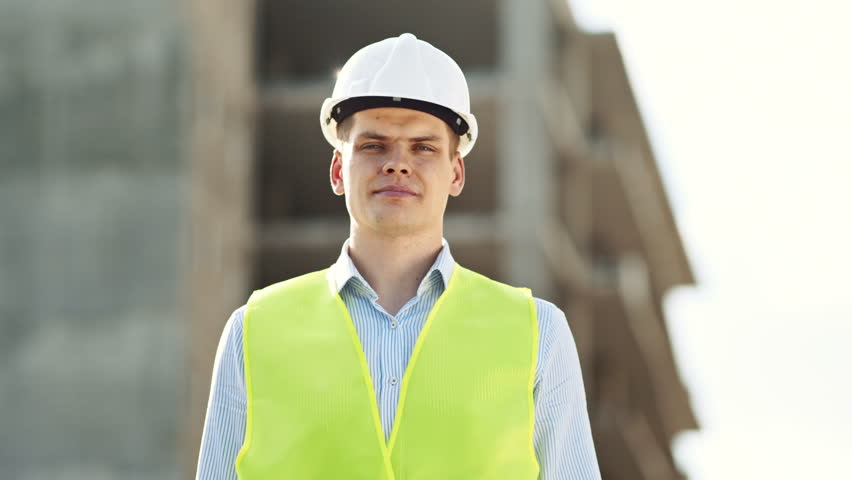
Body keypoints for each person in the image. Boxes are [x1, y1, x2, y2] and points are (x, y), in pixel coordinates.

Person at [196, 33, 601, 479]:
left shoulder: (538, 335)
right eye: (373, 145)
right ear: (337, 170)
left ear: (456, 171)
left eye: (423, 147)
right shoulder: (252, 332)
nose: (397, 164)